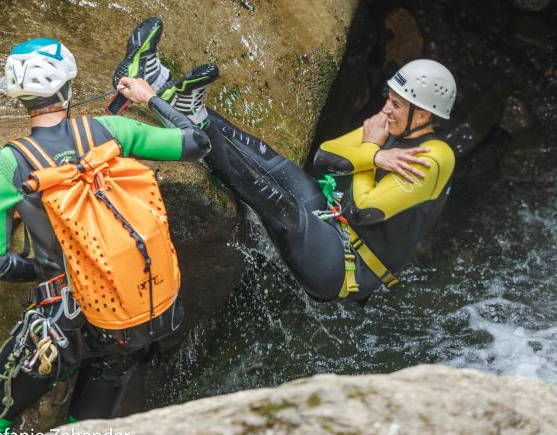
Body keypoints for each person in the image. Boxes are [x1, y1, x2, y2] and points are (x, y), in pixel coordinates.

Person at [0, 29, 212, 435]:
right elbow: (197, 143)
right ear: (69, 86)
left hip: (64, 321)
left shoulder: (10, 163)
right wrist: (149, 96)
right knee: (89, 430)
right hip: (134, 316)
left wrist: (47, 271)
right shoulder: (110, 127)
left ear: (17, 97)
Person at [118, 27, 457, 304]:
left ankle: (155, 100)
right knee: (267, 158)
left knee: (268, 196)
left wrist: (370, 148)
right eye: (389, 100)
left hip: (343, 267)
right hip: (333, 220)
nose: (385, 110)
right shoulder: (390, 126)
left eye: (396, 105)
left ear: (423, 116)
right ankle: (170, 90)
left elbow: (364, 210)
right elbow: (325, 157)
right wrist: (376, 155)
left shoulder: (436, 157)